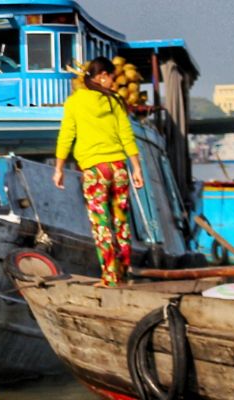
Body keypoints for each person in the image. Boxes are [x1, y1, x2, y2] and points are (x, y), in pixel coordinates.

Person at [53, 57, 145, 288]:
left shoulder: (75, 102)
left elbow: (66, 136)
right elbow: (127, 136)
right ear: (102, 75)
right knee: (121, 223)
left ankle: (110, 278)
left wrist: (59, 169)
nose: (114, 81)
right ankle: (123, 275)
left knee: (101, 224)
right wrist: (136, 168)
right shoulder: (114, 101)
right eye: (112, 76)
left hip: (96, 170)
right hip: (119, 168)